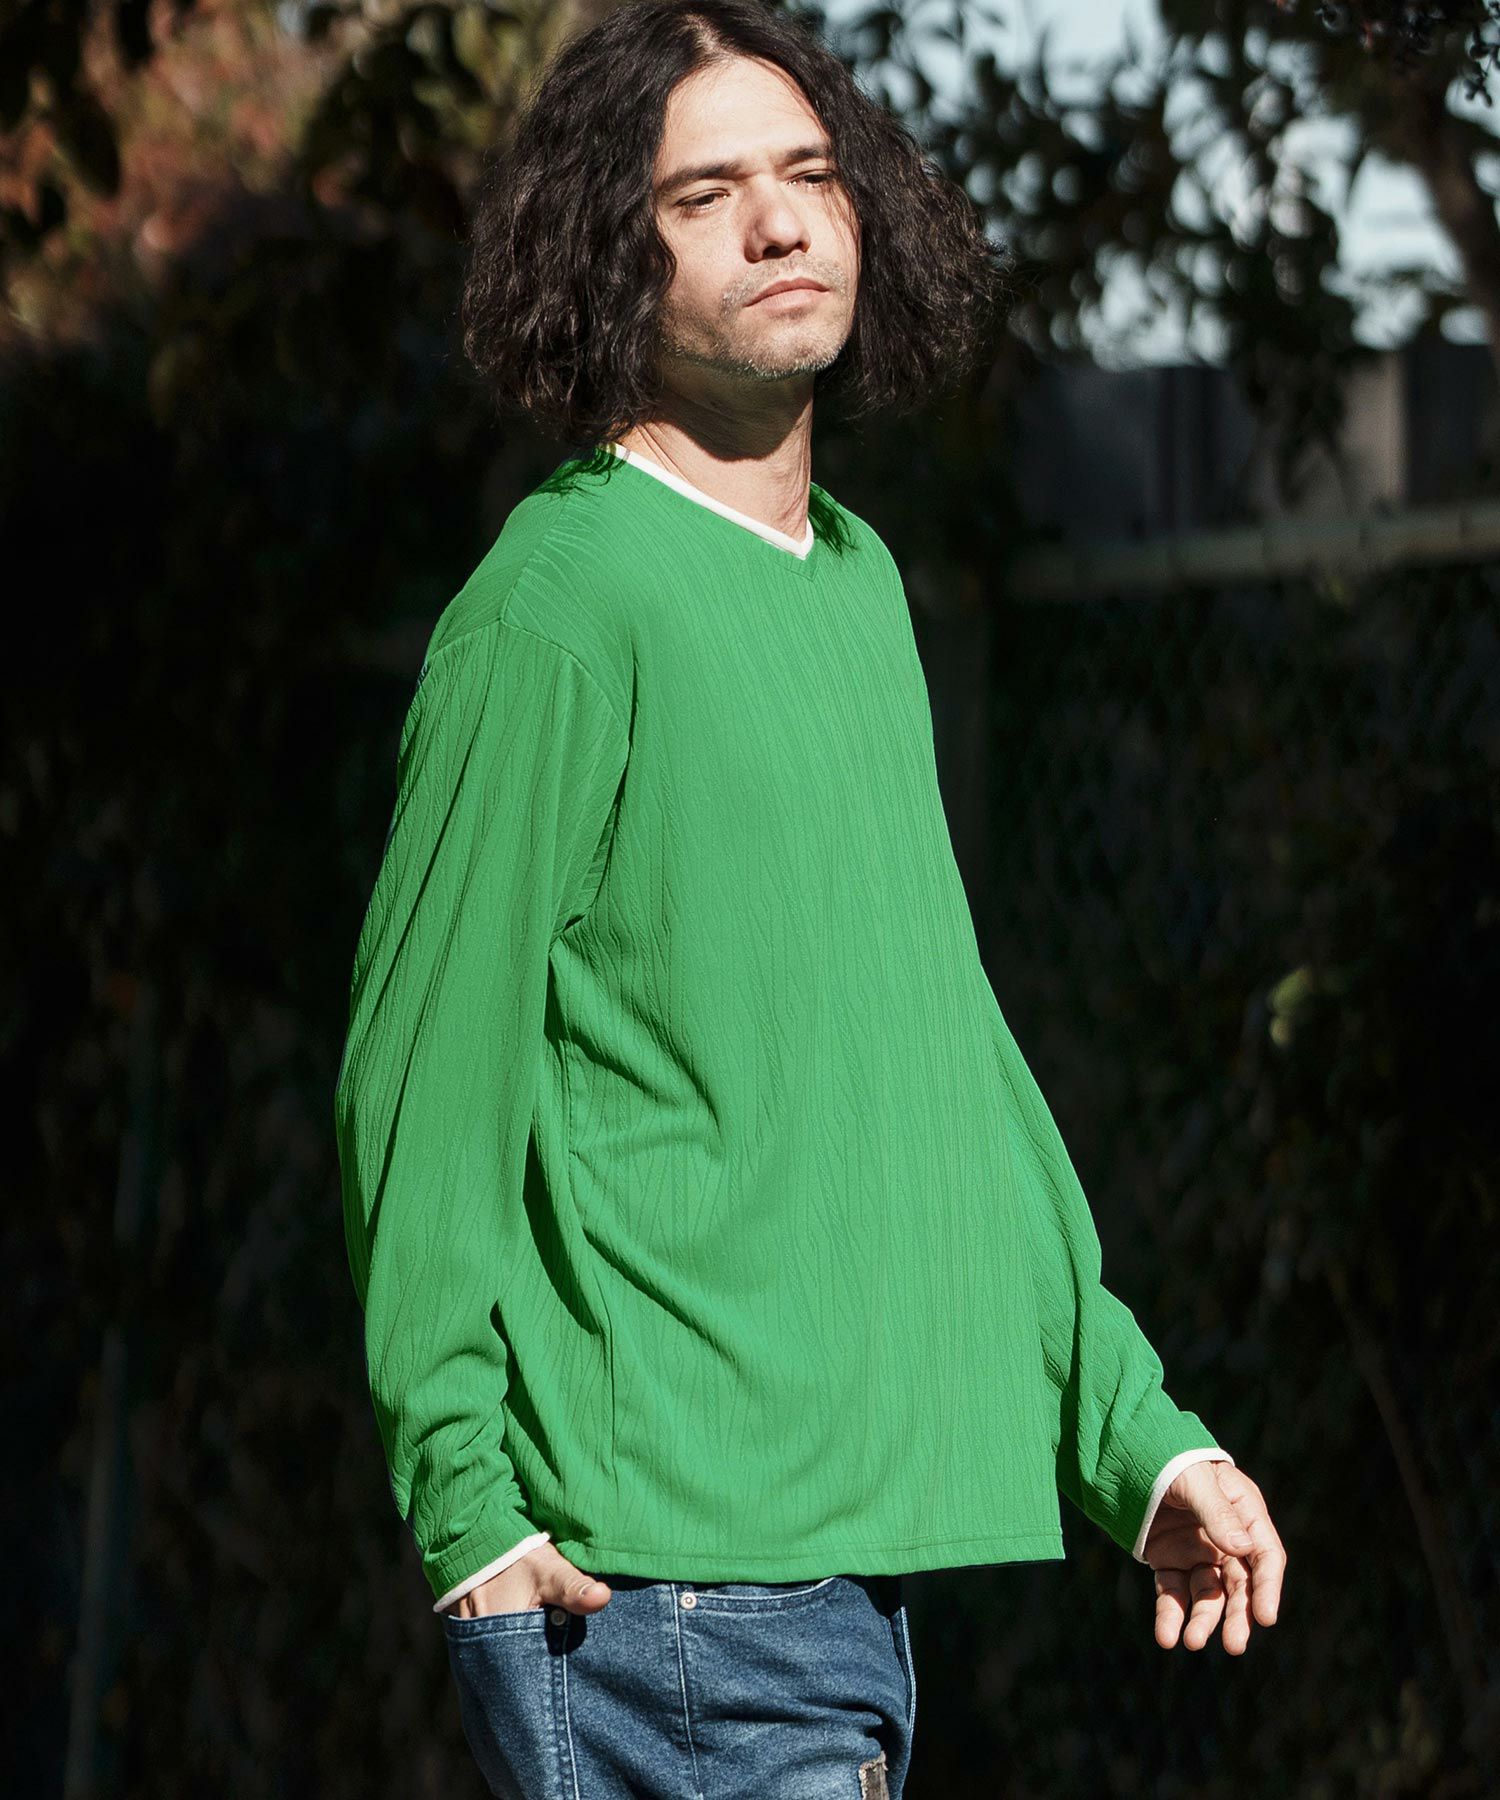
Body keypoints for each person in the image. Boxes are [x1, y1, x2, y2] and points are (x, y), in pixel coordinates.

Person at [333, 3, 1287, 1795]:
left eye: (811, 173)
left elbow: (943, 1059)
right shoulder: (557, 607)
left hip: (836, 1593)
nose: (780, 222)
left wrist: (1137, 1438)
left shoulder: (853, 582)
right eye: (705, 195)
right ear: (606, 256)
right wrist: (468, 1510)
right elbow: (421, 1084)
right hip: (654, 1598)